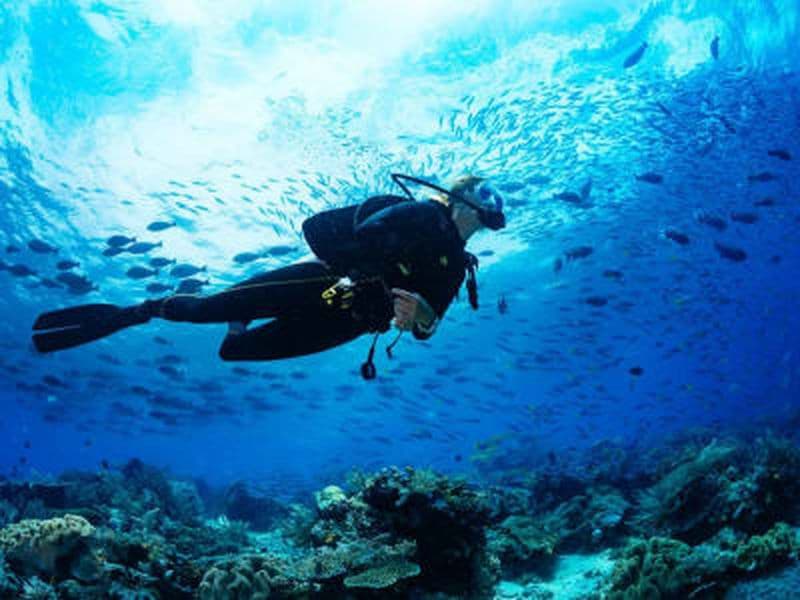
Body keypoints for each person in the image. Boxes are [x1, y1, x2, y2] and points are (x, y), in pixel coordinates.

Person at [31, 173, 505, 378]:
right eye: (486, 193)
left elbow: (427, 328)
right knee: (203, 309)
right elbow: (352, 234)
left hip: (351, 322)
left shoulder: (458, 267)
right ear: (462, 196)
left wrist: (421, 316)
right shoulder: (421, 213)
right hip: (322, 282)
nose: (494, 204)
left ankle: (239, 319)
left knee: (236, 350)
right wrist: (371, 269)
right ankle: (139, 311)